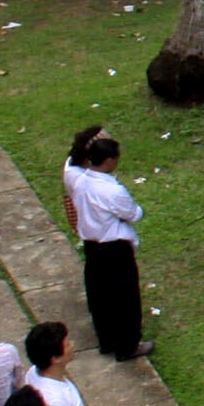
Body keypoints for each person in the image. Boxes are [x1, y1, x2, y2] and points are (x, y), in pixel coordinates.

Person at [66, 130, 152, 361]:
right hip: (115, 248)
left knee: (100, 296)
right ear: (109, 160)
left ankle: (107, 340)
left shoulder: (78, 181)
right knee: (126, 299)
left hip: (92, 247)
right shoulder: (112, 190)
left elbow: (69, 165)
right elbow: (134, 214)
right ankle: (127, 346)